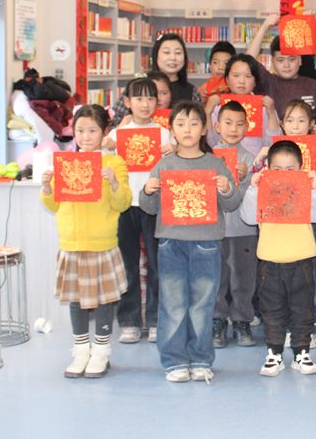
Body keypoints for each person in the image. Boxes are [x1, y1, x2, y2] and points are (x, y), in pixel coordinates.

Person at [140, 102, 243, 384]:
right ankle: (174, 360)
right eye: (181, 124)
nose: (187, 130)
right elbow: (148, 207)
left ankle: (200, 359)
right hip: (171, 243)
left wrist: (226, 189)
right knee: (173, 303)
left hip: (207, 244)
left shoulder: (215, 163)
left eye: (194, 123)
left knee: (202, 304)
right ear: (172, 129)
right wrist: (147, 190)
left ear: (204, 129)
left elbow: (233, 203)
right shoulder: (164, 164)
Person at [40, 105, 132, 378]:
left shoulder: (114, 163)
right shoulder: (66, 162)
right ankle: (80, 351)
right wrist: (46, 187)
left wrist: (113, 182)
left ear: (105, 132)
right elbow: (54, 204)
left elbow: (123, 203)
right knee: (76, 299)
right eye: (80, 130)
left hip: (101, 243)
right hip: (72, 242)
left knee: (104, 300)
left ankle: (101, 351)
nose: (85, 136)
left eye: (92, 130)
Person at [240, 140, 316, 377]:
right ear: (268, 169)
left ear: (300, 169)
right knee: (272, 311)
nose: (284, 174)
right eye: (277, 169)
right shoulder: (261, 190)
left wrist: (315, 190)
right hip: (270, 262)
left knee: (303, 310)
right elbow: (248, 218)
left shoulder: (306, 190)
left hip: (302, 261)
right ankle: (274, 354)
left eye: (290, 169)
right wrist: (253, 189)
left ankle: (302, 353)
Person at [101, 78, 173, 345]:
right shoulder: (116, 135)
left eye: (151, 98)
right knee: (127, 264)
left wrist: (174, 149)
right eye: (139, 98)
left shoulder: (165, 134)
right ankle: (129, 321)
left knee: (157, 264)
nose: (145, 104)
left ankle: (155, 320)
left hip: (154, 204)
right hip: (124, 205)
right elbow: (99, 162)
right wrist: (106, 146)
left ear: (158, 101)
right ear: (127, 102)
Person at [210, 100, 257, 349]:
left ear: (246, 128)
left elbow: (256, 196)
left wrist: (246, 177)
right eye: (228, 123)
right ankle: (217, 320)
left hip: (243, 228)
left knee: (243, 278)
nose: (233, 129)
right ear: (217, 126)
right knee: (216, 277)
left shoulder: (250, 159)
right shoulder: (207, 157)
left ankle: (242, 321)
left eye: (239, 124)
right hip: (214, 229)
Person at [247, 13, 316, 120]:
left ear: (300, 60)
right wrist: (264, 27)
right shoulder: (268, 82)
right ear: (273, 62)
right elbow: (248, 62)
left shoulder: (313, 85)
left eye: (292, 59)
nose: (286, 65)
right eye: (280, 60)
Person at [111, 34, 202, 126]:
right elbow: (114, 122)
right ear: (156, 55)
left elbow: (199, 124)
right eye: (166, 52)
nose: (173, 58)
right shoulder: (138, 85)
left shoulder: (191, 91)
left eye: (178, 53)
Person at [205, 53, 278, 154]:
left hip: (255, 162)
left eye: (248, 76)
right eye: (236, 76)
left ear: (255, 81)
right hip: (224, 161)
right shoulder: (218, 107)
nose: (241, 81)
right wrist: (207, 113)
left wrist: (271, 113)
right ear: (227, 80)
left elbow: (273, 145)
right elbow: (210, 143)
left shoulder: (264, 108)